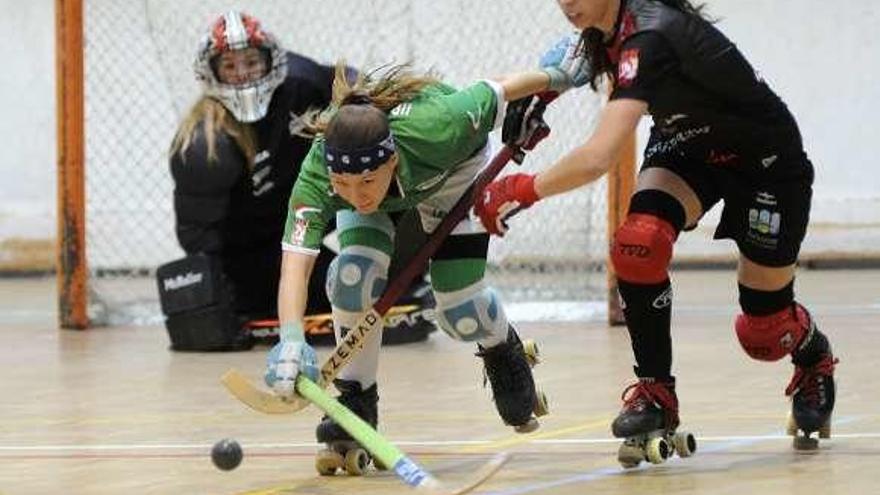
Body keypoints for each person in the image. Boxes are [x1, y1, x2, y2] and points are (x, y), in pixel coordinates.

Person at [476, 0, 838, 450]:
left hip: (765, 162)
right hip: (686, 149)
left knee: (764, 333)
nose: (567, 2)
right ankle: (655, 393)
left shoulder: (653, 35)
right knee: (637, 244)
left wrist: (520, 190)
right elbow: (549, 72)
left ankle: (814, 356)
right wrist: (530, 97)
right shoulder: (598, 29)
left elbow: (599, 157)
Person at [262, 61, 583, 466]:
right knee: (350, 277)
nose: (355, 194)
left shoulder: (441, 126)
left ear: (391, 160)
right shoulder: (321, 174)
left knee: (461, 312)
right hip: (394, 196)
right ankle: (356, 400)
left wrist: (562, 73)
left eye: (365, 181)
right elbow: (295, 262)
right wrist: (291, 337)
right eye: (341, 184)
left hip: (451, 176)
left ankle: (503, 348)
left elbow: (498, 88)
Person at [163, 11, 434, 350]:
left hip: (311, 207)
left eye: (250, 62)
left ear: (270, 60)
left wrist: (370, 114)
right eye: (230, 66)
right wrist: (220, 300)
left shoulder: (300, 81)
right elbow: (199, 237)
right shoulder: (204, 145)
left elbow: (353, 86)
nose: (243, 74)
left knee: (385, 173)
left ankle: (409, 278)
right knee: (340, 287)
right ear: (212, 73)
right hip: (254, 248)